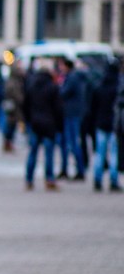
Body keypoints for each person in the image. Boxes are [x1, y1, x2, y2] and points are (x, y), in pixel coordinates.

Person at [22, 60, 63, 192]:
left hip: (35, 122)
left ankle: (29, 179)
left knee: (33, 152)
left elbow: (25, 105)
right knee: (48, 153)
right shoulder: (52, 87)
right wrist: (58, 124)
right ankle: (49, 179)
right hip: (49, 123)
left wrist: (28, 120)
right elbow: (58, 109)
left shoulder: (32, 85)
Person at [89, 61, 120, 192]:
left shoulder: (99, 86)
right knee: (113, 153)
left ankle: (97, 179)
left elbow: (92, 107)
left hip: (101, 122)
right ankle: (113, 180)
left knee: (99, 153)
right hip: (114, 124)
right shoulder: (118, 87)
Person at [57, 57, 89, 181]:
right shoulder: (73, 77)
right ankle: (68, 169)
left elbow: (63, 93)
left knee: (73, 143)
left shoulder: (72, 78)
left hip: (71, 114)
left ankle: (79, 170)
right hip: (71, 113)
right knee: (68, 142)